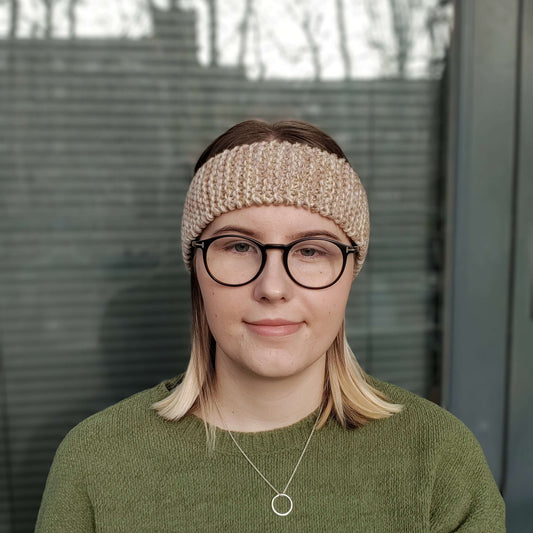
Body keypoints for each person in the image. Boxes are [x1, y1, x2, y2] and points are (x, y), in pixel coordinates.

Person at [36, 119, 505, 532]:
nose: (273, 287)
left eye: (312, 250)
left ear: (351, 272)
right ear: (196, 267)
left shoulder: (438, 456)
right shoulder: (97, 463)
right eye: (239, 247)